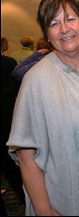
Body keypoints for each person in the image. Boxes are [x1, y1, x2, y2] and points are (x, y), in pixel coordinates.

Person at [6, 0, 79, 216]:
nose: (64, 29)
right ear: (47, 33)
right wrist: (44, 209)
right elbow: (26, 156)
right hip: (65, 200)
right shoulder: (36, 79)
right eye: (54, 23)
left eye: (70, 19)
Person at [1, 37, 24, 209]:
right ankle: (24, 197)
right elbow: (17, 88)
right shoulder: (9, 63)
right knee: (12, 168)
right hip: (7, 116)